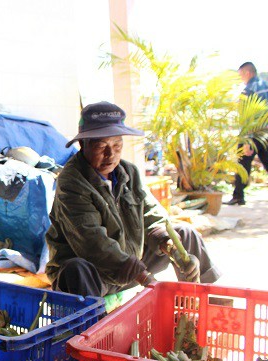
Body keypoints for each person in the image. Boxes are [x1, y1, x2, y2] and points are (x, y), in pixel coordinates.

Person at [45, 101, 221, 297]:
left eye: (117, 145)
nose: (110, 155)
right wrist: (146, 278)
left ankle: (210, 301)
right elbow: (93, 242)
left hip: (132, 264)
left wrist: (172, 248)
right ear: (83, 145)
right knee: (76, 269)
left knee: (185, 234)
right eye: (101, 146)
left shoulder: (128, 172)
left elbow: (150, 213)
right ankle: (97, 326)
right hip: (98, 276)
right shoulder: (71, 182)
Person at [225, 62, 268, 206]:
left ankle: (238, 196)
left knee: (242, 165)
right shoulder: (265, 86)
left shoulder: (249, 89)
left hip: (253, 134)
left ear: (248, 73)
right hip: (265, 134)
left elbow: (247, 117)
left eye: (241, 75)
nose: (240, 79)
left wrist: (248, 139)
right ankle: (238, 195)